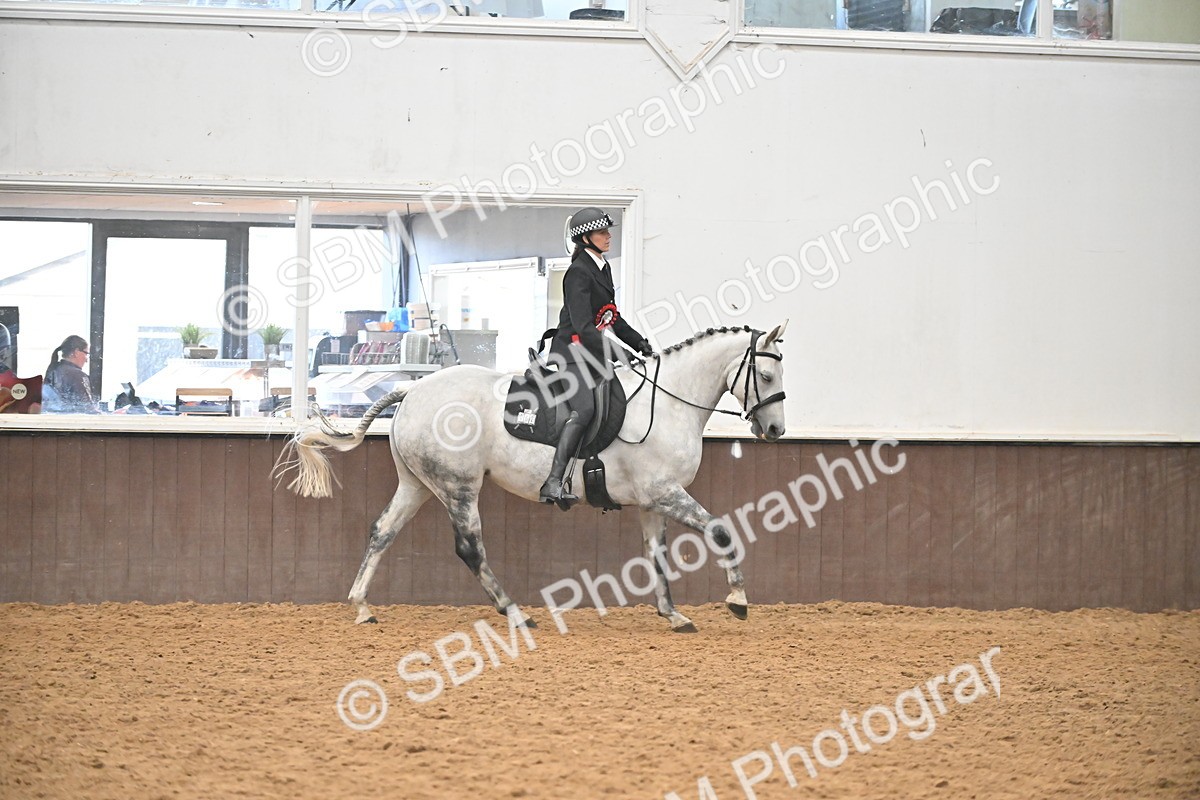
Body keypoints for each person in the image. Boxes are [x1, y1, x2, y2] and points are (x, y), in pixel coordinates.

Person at [539, 207, 653, 508]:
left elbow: (611, 316)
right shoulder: (578, 272)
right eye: (602, 232)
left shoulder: (602, 267)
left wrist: (639, 343)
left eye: (607, 231)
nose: (608, 236)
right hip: (572, 351)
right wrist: (618, 352)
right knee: (585, 409)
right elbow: (583, 326)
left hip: (590, 351)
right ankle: (553, 481)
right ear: (585, 238)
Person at [44, 335, 100, 414]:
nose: (86, 360)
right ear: (76, 352)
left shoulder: (53, 371)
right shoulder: (78, 376)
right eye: (86, 354)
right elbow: (88, 409)